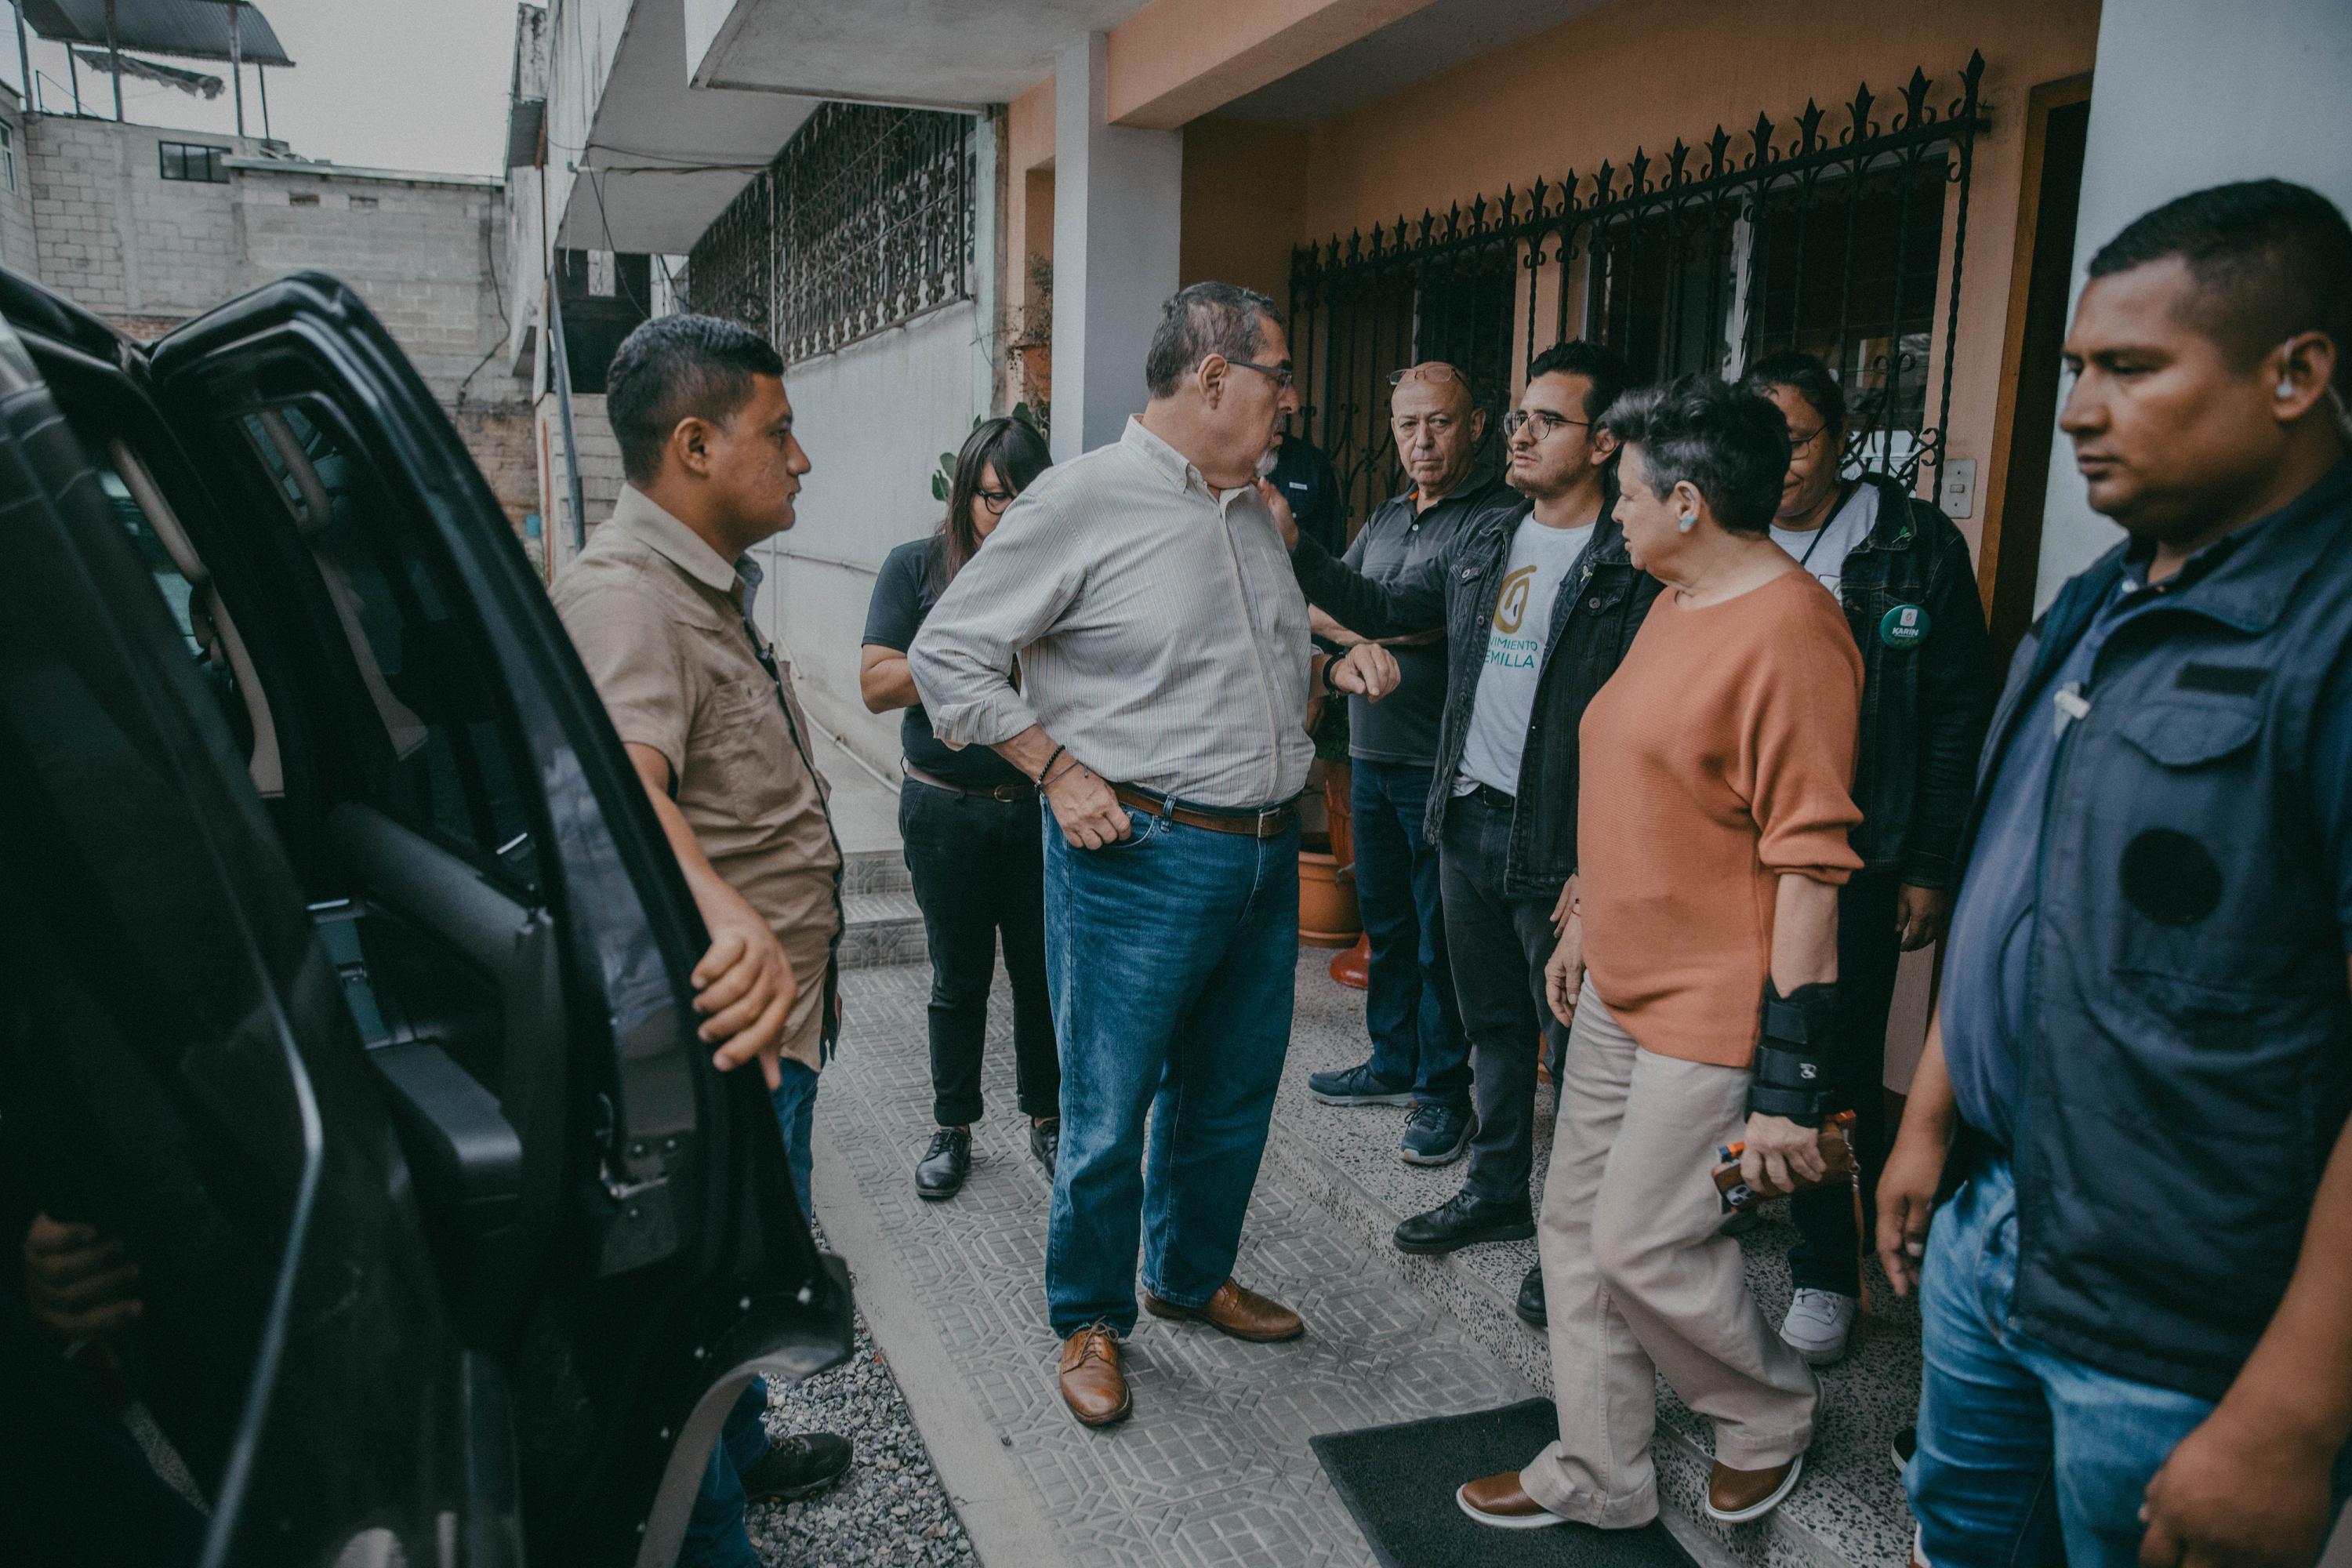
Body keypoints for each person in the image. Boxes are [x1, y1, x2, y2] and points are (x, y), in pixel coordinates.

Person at [1876, 180, 2352, 1568]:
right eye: (2077, 367)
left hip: (2186, 1330)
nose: (2079, 407)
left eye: (2131, 369)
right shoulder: (2104, 601)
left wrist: (2296, 1411)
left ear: (2297, 373)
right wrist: (1929, 1125)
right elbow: (2022, 884)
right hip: (1998, 1232)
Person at [908, 281, 1400, 1429]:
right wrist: (1056, 769)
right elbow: (947, 659)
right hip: (1139, 855)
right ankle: (1088, 1317)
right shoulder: (1083, 499)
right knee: (1109, 1105)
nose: (1292, 399)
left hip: (1267, 854)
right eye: (1279, 375)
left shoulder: (1255, 512)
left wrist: (1333, 670)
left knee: (1229, 1096)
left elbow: (1238, 666)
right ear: (1214, 376)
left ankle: (1186, 1276)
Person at [1457, 376, 1860, 1532]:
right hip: (1617, 982)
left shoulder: (1792, 632)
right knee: (1574, 1231)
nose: (1613, 510)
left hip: (1712, 1004)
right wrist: (1587, 902)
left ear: (1687, 501)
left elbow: (1810, 867)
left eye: (1628, 491)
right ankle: (1601, 1470)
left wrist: (1785, 1088)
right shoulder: (1670, 596)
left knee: (1643, 1241)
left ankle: (1768, 1411)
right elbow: (1639, 772)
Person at [549, 314, 853, 1566]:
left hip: (776, 1027)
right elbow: (624, 792)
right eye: (777, 431)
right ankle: (713, 1532)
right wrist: (731, 917)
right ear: (693, 443)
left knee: (750, 1279)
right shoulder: (625, 597)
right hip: (729, 1035)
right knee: (710, 1314)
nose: (802, 457)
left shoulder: (702, 585)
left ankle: (745, 1447)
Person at [1278, 342, 1656, 1327]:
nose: (1522, 432)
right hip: (1469, 815)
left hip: (1562, 844)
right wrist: (1301, 549)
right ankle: (1497, 1192)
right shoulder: (1494, 542)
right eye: (1521, 414)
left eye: (1547, 419)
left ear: (1605, 441)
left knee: (1577, 1050)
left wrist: (1604, 859)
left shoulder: (1630, 565)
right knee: (1495, 1023)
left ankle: (1575, 1243)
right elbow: (1395, 607)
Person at [1733, 350, 1996, 1367]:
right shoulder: (1721, 527)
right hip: (1734, 850)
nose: (1777, 460)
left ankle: (1824, 1267)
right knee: (1727, 1044)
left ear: (1843, 435)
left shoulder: (1911, 544)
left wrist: (1931, 863)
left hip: (1855, 853)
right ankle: (1734, 1196)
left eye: (1795, 437)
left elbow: (1954, 717)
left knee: (1829, 1062)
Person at [1302, 362, 1506, 1168]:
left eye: (1440, 423)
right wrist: (1363, 636)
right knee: (1382, 924)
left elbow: (1435, 617)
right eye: (1406, 426)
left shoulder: (1491, 518)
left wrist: (1367, 621)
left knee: (1438, 939)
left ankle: (1442, 1093)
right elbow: (1325, 607)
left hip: (1439, 763)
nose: (1421, 441)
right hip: (1371, 754)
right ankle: (1390, 1063)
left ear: (1475, 426)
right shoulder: (1387, 516)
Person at [861, 416, 1062, 1200]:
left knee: (1041, 976)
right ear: (965, 493)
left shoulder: (1056, 575)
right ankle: (954, 1126)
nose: (1007, 515)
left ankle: (1048, 1121)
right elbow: (876, 682)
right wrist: (961, 655)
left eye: (1025, 499)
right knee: (958, 975)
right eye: (993, 498)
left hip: (1036, 807)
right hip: (944, 809)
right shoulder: (915, 567)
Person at [1265, 421, 1347, 556]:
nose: (1291, 405)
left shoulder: (1313, 463)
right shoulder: (1225, 463)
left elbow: (1333, 546)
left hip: (1297, 573)